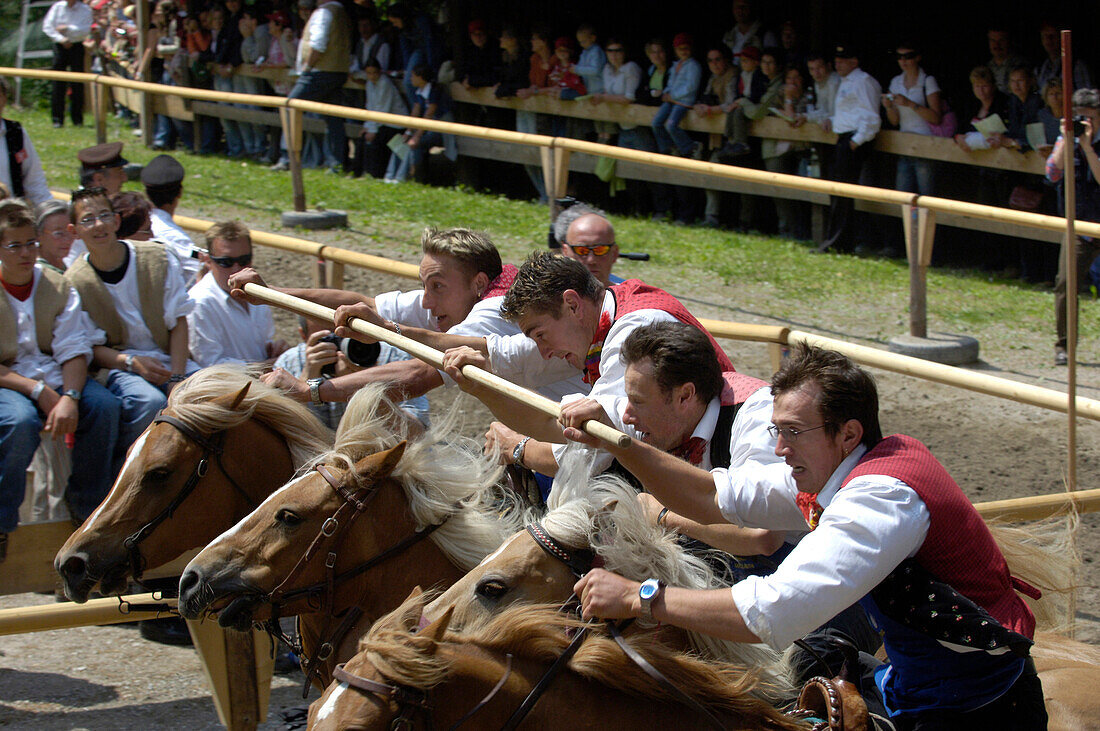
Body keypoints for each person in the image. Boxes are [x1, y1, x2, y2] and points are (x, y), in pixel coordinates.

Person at [567, 344, 1047, 729]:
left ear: (848, 433)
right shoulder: (845, 464)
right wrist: (617, 443)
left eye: (793, 432)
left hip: (974, 708)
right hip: (918, 685)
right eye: (776, 431)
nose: (779, 449)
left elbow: (772, 611)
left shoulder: (882, 498)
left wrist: (639, 597)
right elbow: (714, 494)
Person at [439, 252, 734, 475]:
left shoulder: (633, 330)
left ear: (572, 304)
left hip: (716, 467)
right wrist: (403, 332)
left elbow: (594, 452)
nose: (542, 352)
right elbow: (509, 357)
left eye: (540, 335)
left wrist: (517, 448)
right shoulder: (606, 311)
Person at [233, 228, 584, 407]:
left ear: (478, 284)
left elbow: (420, 374)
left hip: (578, 444)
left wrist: (310, 390)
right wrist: (269, 292)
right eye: (424, 287)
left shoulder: (494, 311)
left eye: (436, 287)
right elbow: (359, 302)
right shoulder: (465, 294)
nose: (427, 303)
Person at [0, 199, 119, 561]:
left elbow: (73, 348)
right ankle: (2, 522)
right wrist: (37, 390)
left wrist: (69, 395)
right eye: (15, 246)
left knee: (104, 407)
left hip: (57, 375)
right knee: (18, 421)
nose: (26, 253)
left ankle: (87, 508)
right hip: (9, 382)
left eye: (30, 243)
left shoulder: (56, 284)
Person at [63, 186, 196, 475]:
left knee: (206, 393)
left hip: (168, 359)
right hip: (119, 366)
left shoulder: (157, 258)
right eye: (88, 219)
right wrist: (132, 363)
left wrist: (176, 376)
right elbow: (89, 347)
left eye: (104, 215)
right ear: (75, 231)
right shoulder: (75, 281)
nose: (98, 225)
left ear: (116, 221)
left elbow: (179, 321)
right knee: (148, 402)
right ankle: (126, 475)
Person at [273, 315, 430, 429]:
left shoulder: (392, 357)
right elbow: (281, 433)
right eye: (330, 340)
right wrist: (307, 378)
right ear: (304, 336)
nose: (341, 345)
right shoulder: (289, 364)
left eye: (345, 333)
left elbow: (417, 432)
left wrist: (366, 386)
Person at [187, 221, 288, 368]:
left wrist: (275, 348)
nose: (237, 269)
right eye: (226, 262)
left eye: (244, 261)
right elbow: (211, 366)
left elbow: (262, 342)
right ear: (208, 260)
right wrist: (268, 365)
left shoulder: (256, 293)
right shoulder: (199, 303)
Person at [1048, 88, 1100, 366]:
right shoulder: (1066, 138)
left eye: (1089, 119)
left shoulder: (1093, 143)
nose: (1084, 124)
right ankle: (1064, 346)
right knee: (1065, 284)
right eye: (1079, 118)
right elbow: (1052, 173)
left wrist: (1089, 147)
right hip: (1079, 225)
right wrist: (1069, 140)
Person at [817, 43, 881, 254]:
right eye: (836, 60)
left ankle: (839, 242)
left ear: (854, 62)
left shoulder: (863, 81)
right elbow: (849, 113)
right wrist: (832, 120)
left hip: (853, 141)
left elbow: (870, 116)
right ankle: (837, 241)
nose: (838, 64)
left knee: (844, 192)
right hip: (844, 137)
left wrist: (857, 140)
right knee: (837, 191)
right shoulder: (845, 82)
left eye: (843, 60)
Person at [290, 0, 352, 173]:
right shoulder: (340, 11)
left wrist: (307, 68)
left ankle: (289, 157)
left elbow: (318, 44)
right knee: (334, 120)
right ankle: (337, 163)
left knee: (290, 106)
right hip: (337, 71)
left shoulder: (324, 13)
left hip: (319, 72)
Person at [882, 43, 943, 197]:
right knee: (903, 198)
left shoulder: (927, 81)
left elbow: (936, 118)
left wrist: (909, 104)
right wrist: (889, 107)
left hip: (925, 145)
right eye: (899, 57)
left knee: (927, 198)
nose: (903, 61)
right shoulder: (895, 82)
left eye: (908, 56)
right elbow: (894, 121)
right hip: (904, 145)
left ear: (917, 57)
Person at [384, 65, 455, 183]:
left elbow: (428, 116)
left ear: (421, 78)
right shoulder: (419, 91)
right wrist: (407, 132)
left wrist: (416, 137)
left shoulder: (434, 91)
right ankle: (390, 175)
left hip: (442, 128)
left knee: (413, 145)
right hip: (428, 127)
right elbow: (415, 113)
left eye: (412, 76)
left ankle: (401, 177)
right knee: (400, 141)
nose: (410, 78)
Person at [140, 154, 203, 281]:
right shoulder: (176, 237)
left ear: (147, 193)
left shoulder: (138, 222)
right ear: (179, 193)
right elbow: (198, 274)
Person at [0, 79, 52, 207]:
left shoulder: (15, 133)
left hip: (12, 220)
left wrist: (49, 212)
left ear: (4, 99)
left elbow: (34, 182)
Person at [43, 0, 93, 128]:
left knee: (78, 83)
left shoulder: (85, 9)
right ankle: (57, 119)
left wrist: (67, 29)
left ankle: (77, 119)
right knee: (58, 83)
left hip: (77, 46)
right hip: (60, 46)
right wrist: (61, 38)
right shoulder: (57, 7)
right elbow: (48, 27)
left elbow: (85, 30)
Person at [355, 58, 408, 180]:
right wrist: (367, 126)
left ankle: (375, 174)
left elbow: (382, 109)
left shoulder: (385, 84)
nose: (372, 76)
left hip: (394, 123)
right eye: (369, 73)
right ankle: (358, 171)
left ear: (379, 72)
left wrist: (373, 130)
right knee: (362, 138)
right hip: (381, 122)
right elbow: (370, 106)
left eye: (374, 72)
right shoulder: (369, 84)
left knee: (376, 140)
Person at [651, 33, 702, 158]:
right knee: (656, 123)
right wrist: (666, 93)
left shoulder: (694, 66)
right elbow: (670, 83)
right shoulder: (675, 65)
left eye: (686, 48)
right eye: (680, 49)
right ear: (676, 50)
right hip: (671, 100)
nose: (683, 51)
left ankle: (690, 147)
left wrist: (672, 96)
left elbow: (690, 87)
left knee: (671, 125)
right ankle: (669, 148)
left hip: (683, 102)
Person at [559, 211, 619, 287]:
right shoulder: (546, 297)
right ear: (565, 252)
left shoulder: (631, 297)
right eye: (582, 251)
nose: (591, 260)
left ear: (614, 253)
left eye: (600, 250)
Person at [1034, 20, 1090, 96]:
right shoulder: (1040, 68)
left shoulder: (1075, 66)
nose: (1048, 40)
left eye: (1052, 36)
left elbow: (1086, 97)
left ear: (1061, 38)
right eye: (1044, 36)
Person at [721, 0, 775, 67]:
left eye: (744, 7)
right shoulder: (728, 36)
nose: (740, 10)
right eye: (736, 7)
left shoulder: (765, 35)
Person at [35, 200, 76, 273]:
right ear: (38, 235)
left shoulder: (63, 266)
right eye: (58, 233)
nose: (67, 240)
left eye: (70, 231)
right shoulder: (39, 273)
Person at [458, 19, 498, 89]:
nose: (478, 38)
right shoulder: (469, 52)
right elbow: (462, 73)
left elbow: (494, 77)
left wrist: (471, 81)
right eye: (475, 34)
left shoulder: (494, 51)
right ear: (470, 36)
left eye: (481, 34)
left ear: (486, 34)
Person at [986, 27, 1026, 96]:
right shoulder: (987, 67)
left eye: (1001, 40)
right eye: (993, 40)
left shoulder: (1020, 64)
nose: (997, 44)